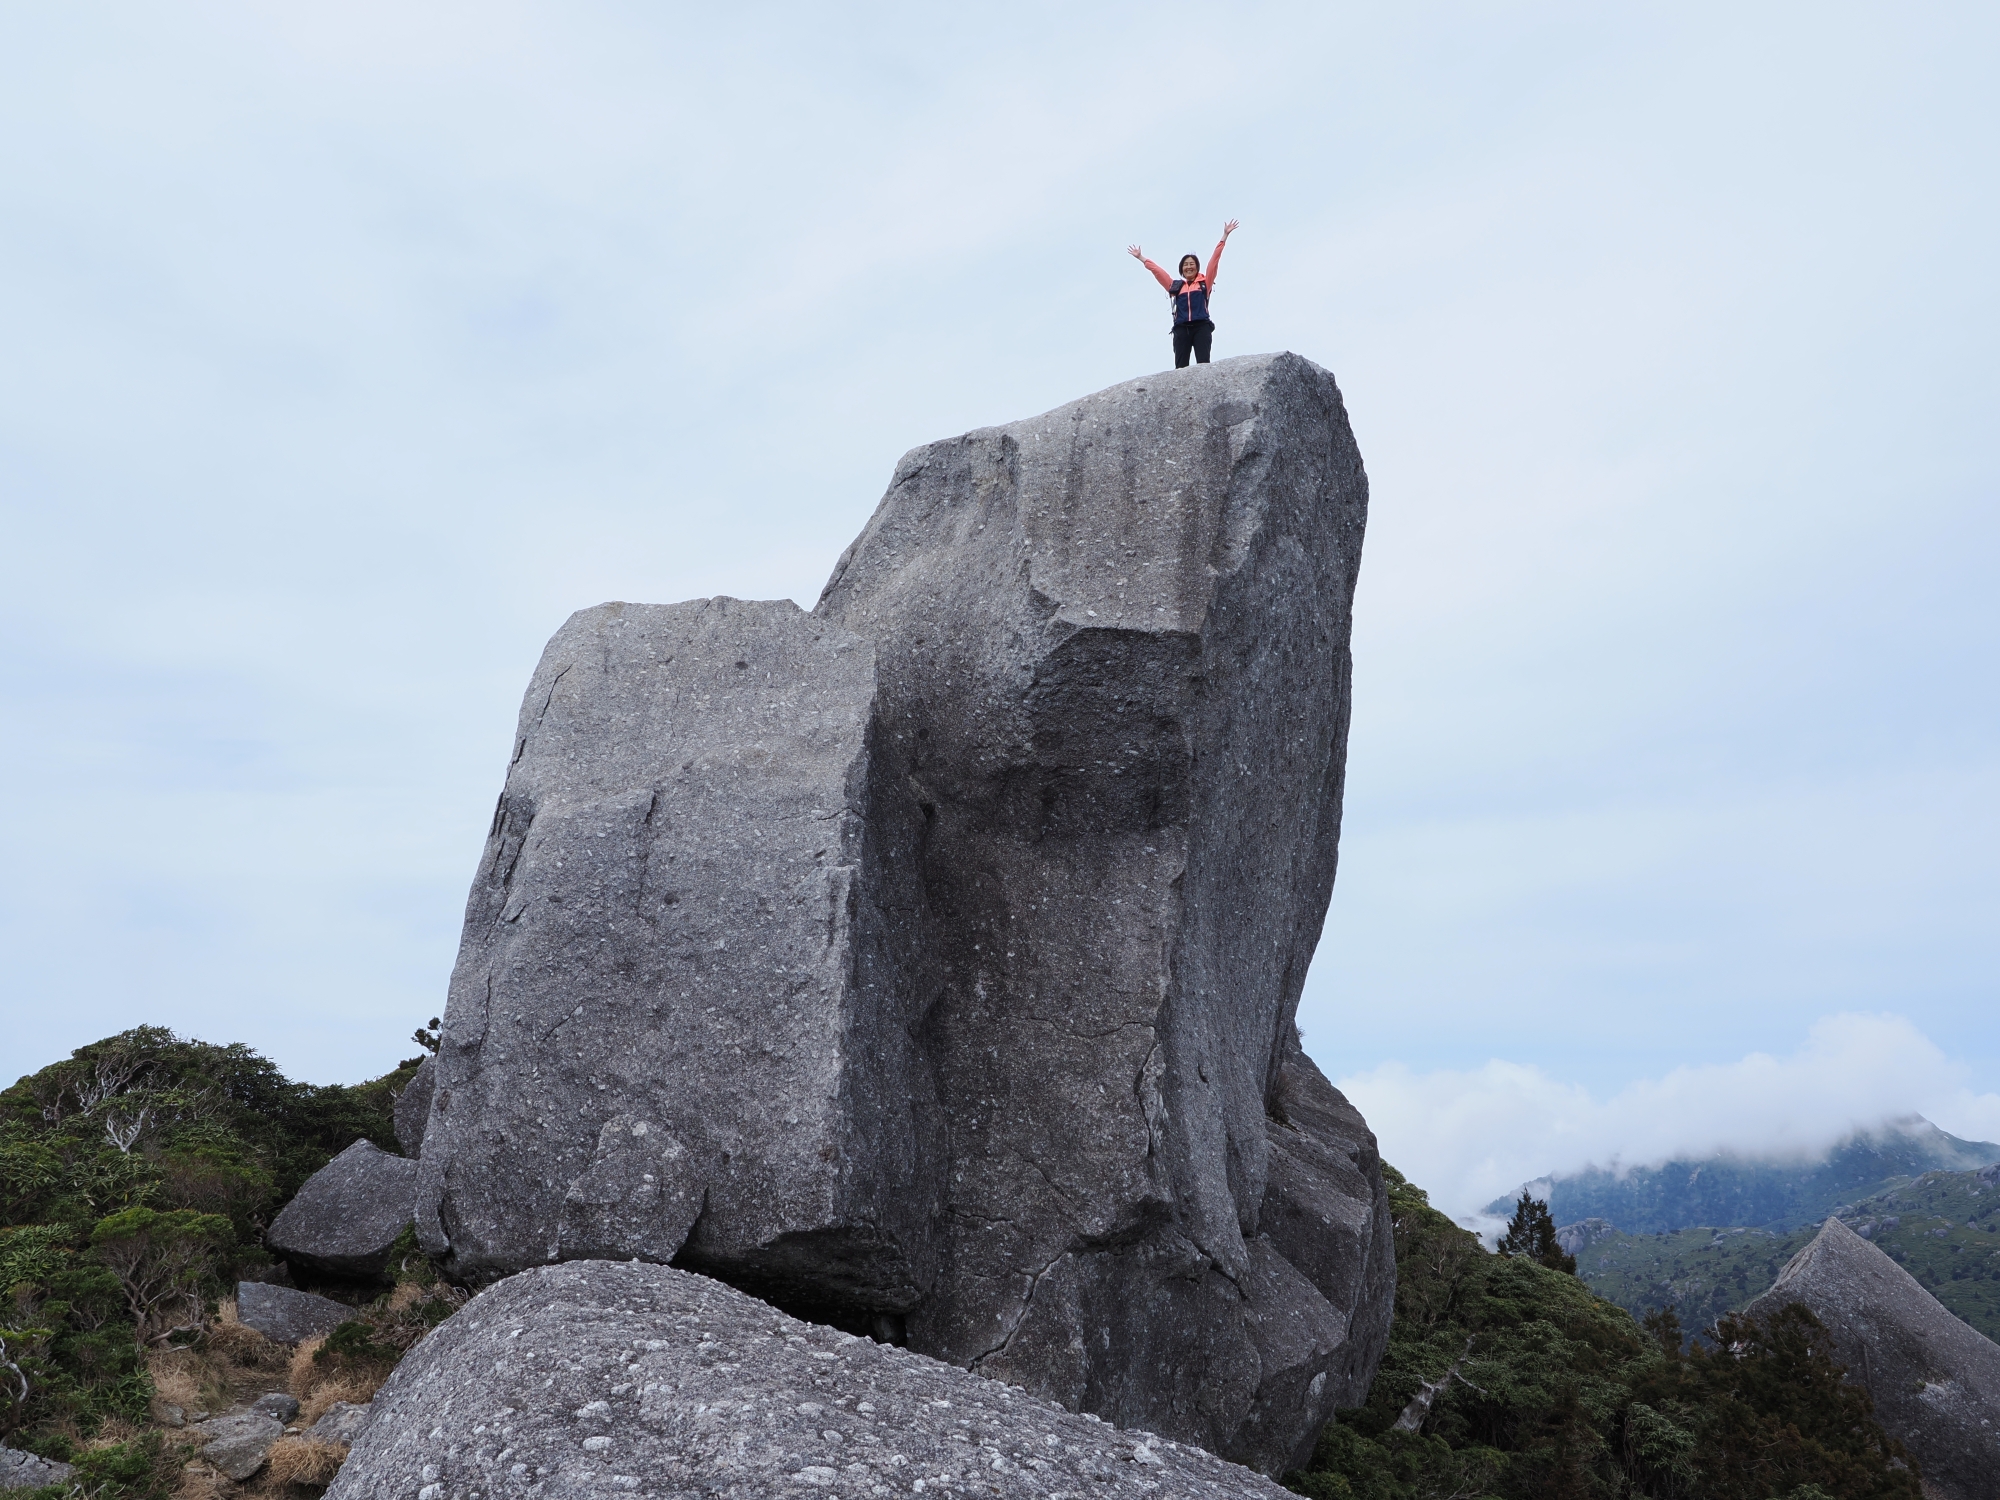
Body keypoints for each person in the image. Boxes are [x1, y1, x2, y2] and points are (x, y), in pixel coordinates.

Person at [1128, 220, 1238, 368]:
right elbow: (1158, 271)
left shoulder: (1204, 283)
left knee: (1204, 365)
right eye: (1185, 265)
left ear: (1197, 267)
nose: (1189, 267)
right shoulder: (1175, 286)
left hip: (1202, 327)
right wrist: (1142, 258)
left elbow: (1214, 262)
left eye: (1192, 264)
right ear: (1182, 269)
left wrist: (1224, 236)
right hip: (1181, 329)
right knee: (1180, 368)